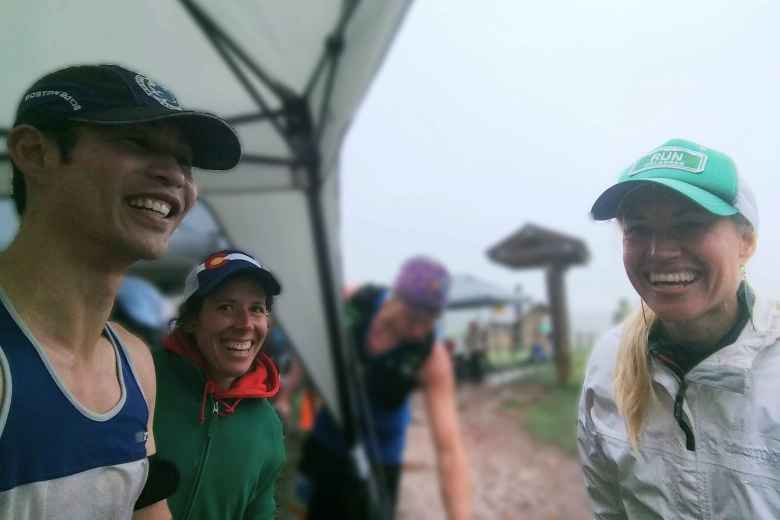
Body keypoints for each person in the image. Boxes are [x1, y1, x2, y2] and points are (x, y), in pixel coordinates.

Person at [0, 64, 241, 519]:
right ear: (34, 152)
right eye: (137, 142)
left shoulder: (133, 362)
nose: (174, 176)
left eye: (184, 162)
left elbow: (143, 507)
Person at [577, 138, 779, 518]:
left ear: (746, 242)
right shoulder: (609, 364)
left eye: (689, 225)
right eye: (638, 229)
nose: (660, 252)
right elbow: (608, 505)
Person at [293, 256, 472, 519]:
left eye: (430, 322)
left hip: (380, 459)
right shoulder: (355, 302)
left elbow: (449, 449)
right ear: (395, 297)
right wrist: (289, 387)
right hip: (328, 439)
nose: (420, 331)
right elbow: (312, 338)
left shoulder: (431, 358)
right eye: (414, 319)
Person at [152, 249, 286, 519]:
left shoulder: (267, 426)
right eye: (226, 307)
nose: (245, 324)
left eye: (257, 309)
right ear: (191, 320)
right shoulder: (142, 378)